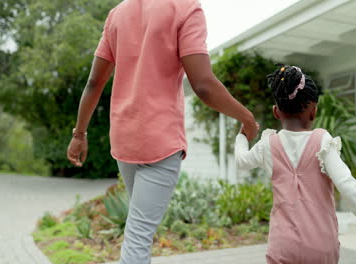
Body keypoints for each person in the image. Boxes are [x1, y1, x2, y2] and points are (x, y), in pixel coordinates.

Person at [66, 0, 259, 263]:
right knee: (138, 240)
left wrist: (79, 134)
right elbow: (202, 85)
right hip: (160, 143)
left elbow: (94, 82)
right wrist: (247, 118)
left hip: (124, 142)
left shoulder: (117, 14)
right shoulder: (186, 8)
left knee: (139, 233)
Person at [235, 64, 356, 264]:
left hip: (282, 246)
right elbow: (350, 189)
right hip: (320, 248)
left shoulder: (268, 145)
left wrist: (242, 136)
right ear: (314, 111)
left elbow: (242, 161)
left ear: (276, 112)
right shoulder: (322, 142)